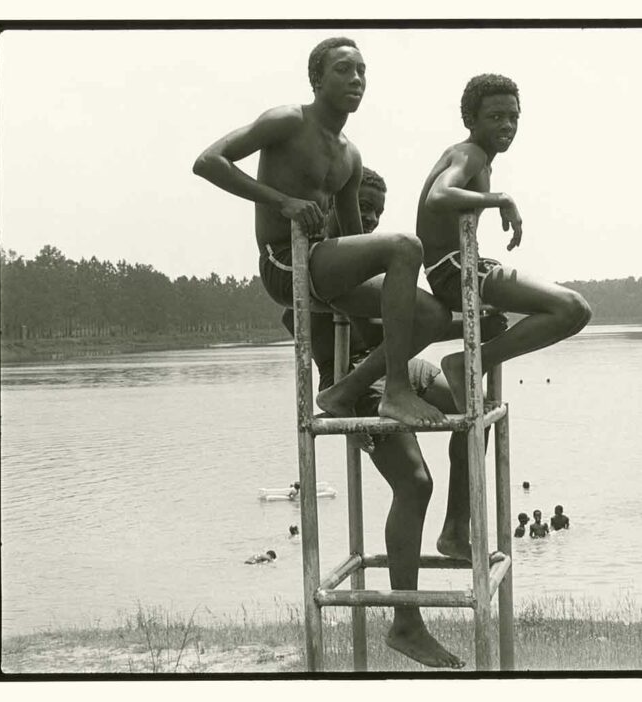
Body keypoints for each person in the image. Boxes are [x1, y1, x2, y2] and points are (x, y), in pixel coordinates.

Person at [277, 169, 505, 669]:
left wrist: (474, 315)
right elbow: (322, 322)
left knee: (478, 408)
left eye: (379, 209)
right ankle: (406, 622)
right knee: (415, 484)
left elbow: (413, 322)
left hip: (408, 371)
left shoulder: (378, 269)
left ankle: (454, 530)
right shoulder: (320, 271)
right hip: (356, 383)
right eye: (364, 207)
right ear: (336, 205)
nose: (373, 218)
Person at [193, 36, 447, 427]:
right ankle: (397, 391)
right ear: (316, 79)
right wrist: (281, 201)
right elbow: (208, 161)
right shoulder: (288, 120)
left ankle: (342, 392)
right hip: (285, 263)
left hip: (325, 268)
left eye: (362, 71)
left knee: (431, 314)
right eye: (343, 70)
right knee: (405, 245)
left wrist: (392, 297)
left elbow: (354, 235)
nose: (356, 79)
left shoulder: (351, 155)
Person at [415, 73, 592, 412]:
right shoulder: (470, 153)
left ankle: (471, 366)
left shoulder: (476, 158)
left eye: (513, 117)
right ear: (471, 120)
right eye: (496, 117)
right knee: (573, 308)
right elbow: (438, 196)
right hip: (455, 271)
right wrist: (501, 199)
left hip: (462, 267)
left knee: (567, 310)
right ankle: (467, 363)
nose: (507, 125)